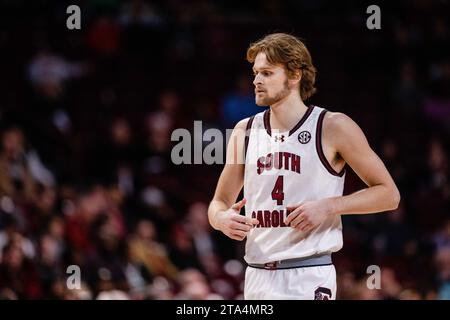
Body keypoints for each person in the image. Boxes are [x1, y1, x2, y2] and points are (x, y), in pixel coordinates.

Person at [207, 33, 400, 300]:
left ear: (295, 75)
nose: (256, 81)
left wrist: (330, 206)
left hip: (307, 273)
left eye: (266, 73)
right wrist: (221, 219)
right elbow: (218, 202)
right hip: (256, 275)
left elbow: (389, 194)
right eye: (255, 73)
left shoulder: (332, 126)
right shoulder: (245, 131)